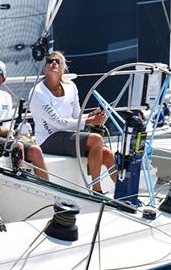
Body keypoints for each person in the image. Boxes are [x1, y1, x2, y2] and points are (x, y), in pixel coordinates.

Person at [28, 51, 116, 193]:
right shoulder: (37, 92)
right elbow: (59, 123)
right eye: (50, 61)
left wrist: (92, 116)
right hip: (48, 139)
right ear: (45, 67)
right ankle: (97, 191)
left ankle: (125, 195)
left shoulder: (71, 87)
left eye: (57, 61)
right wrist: (90, 121)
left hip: (69, 136)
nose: (54, 63)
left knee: (108, 154)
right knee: (96, 139)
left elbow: (77, 115)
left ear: (63, 67)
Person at [0, 59, 49, 179]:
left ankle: (46, 188)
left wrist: (3, 131)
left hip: (1, 138)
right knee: (17, 146)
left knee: (35, 150)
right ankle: (22, 181)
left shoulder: (6, 97)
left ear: (3, 79)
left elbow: (8, 128)